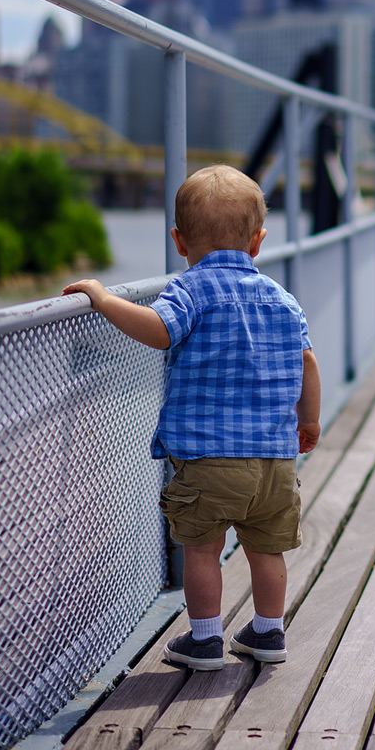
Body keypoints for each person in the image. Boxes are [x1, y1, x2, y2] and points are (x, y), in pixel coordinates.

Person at [63, 164, 321, 671]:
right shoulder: (282, 299)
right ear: (259, 241)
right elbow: (307, 362)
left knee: (202, 548)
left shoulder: (191, 289)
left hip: (208, 457)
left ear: (180, 241)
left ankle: (204, 639)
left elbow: (159, 330)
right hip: (274, 459)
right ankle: (269, 633)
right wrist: (308, 422)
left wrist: (103, 298)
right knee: (267, 550)